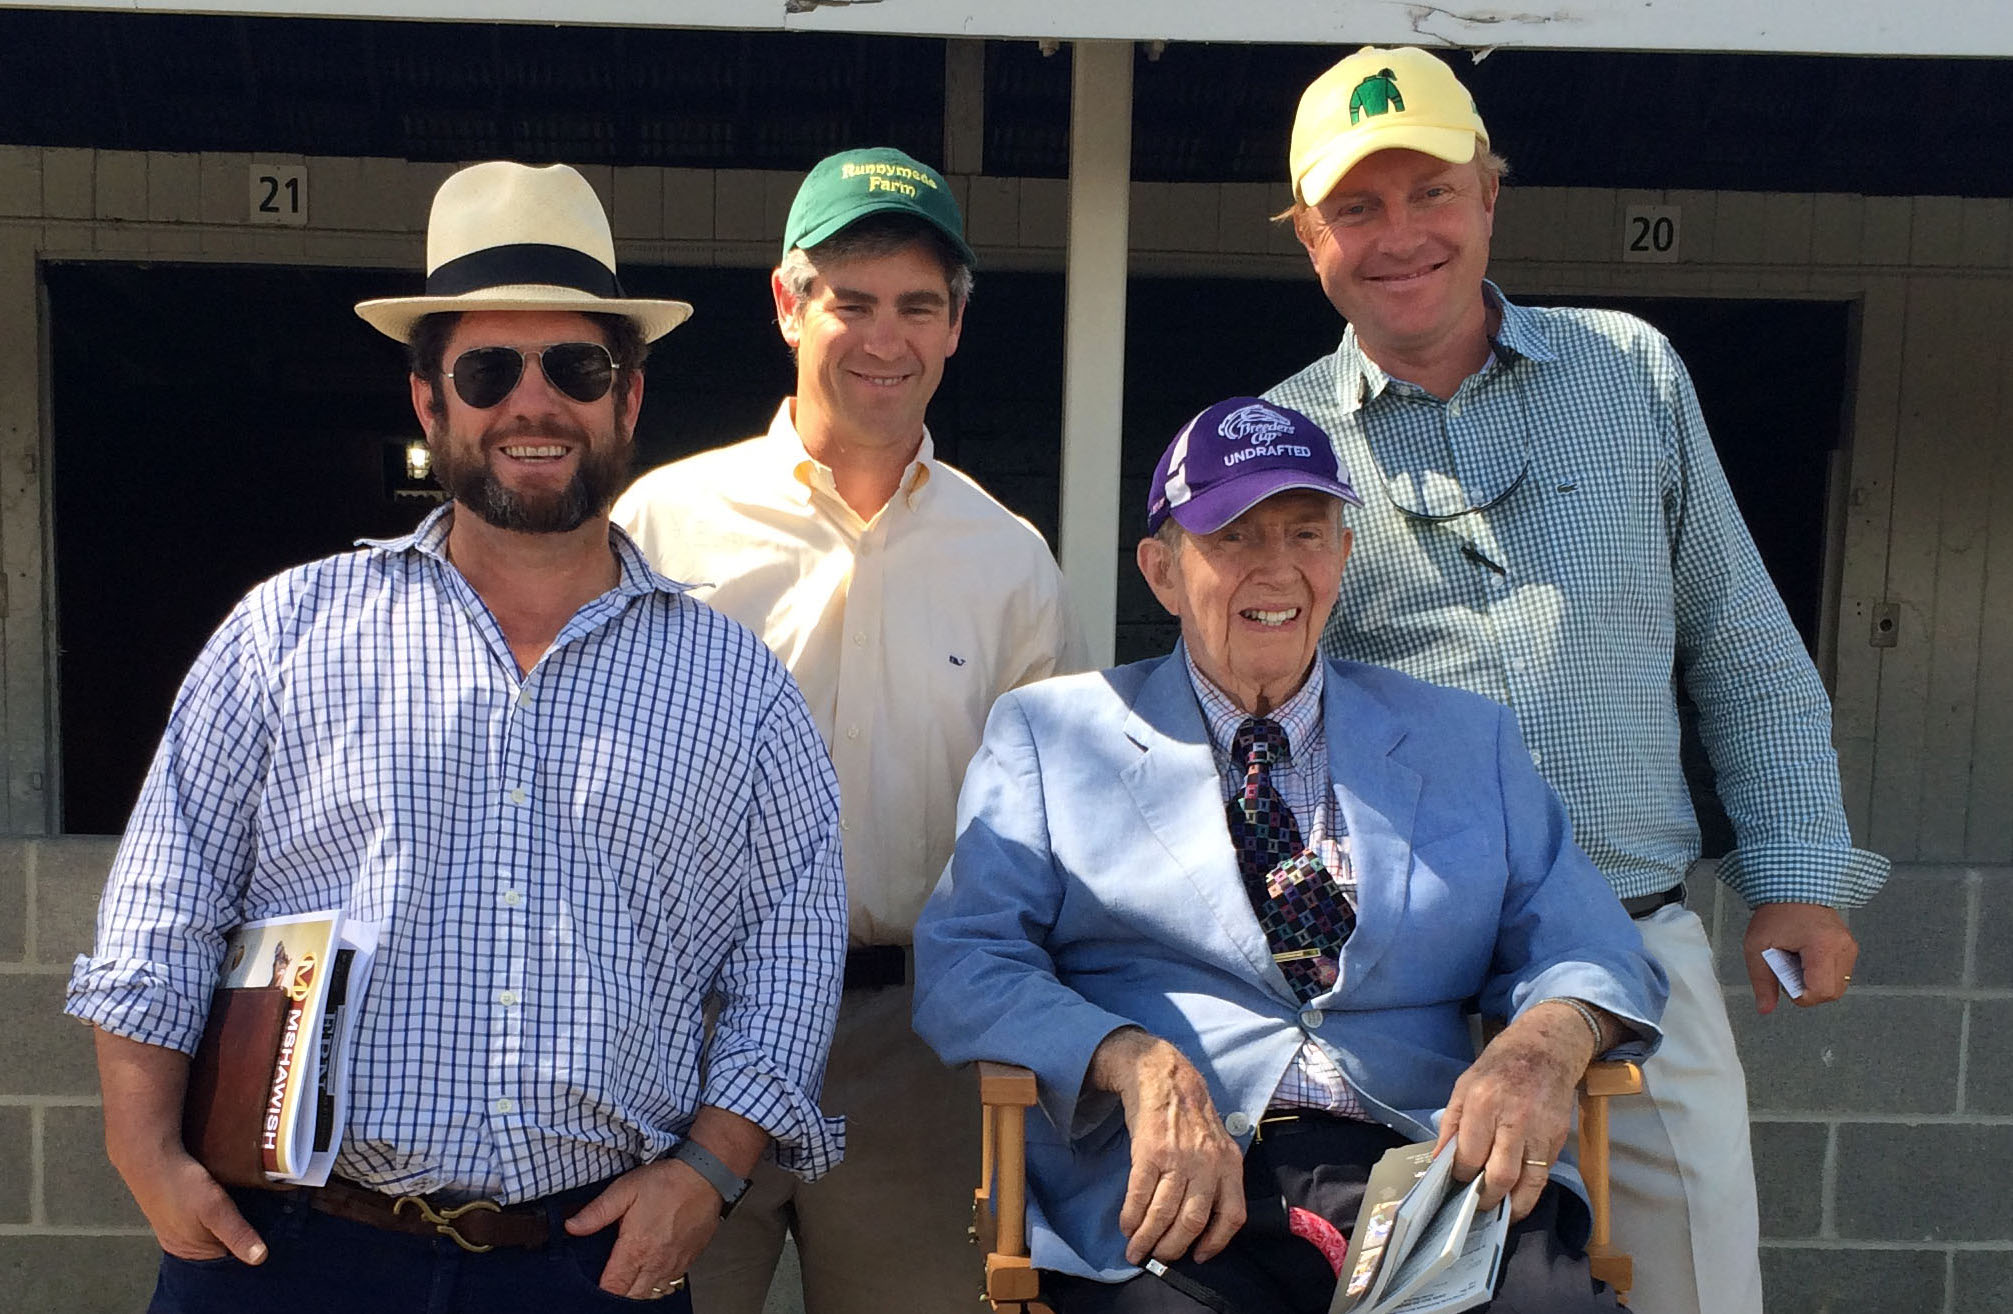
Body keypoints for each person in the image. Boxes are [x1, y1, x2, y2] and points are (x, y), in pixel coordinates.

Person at [65, 161, 849, 1314]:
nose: (534, 404)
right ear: (431, 404)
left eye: (575, 368)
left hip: (587, 1267)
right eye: (488, 370)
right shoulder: (285, 634)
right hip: (290, 1255)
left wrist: (711, 1167)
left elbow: (792, 954)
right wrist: (147, 1151)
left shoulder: (738, 688)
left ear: (627, 400)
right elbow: (159, 911)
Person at [1263, 45, 1892, 1314]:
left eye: (1431, 192)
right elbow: (1253, 721)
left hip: (1639, 952)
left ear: (1491, 192)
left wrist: (1801, 876)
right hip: (1401, 986)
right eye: (1357, 208)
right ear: (1308, 237)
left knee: (1696, 1291)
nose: (1401, 236)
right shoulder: (1283, 444)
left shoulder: (1632, 373)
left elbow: (1744, 645)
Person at [913, 397, 1667, 1313]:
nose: (1276, 569)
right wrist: (1131, 1059)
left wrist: (1545, 1045)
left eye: (1306, 533)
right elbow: (967, 960)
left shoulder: (1464, 740)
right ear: (1160, 570)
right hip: (1178, 1188)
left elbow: (1589, 944)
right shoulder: (1051, 734)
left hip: (1435, 1176)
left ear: (1342, 558)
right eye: (1232, 538)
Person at [614, 146, 1086, 1314]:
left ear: (956, 327)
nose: (886, 338)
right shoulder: (659, 528)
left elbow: (1060, 831)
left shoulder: (1009, 560)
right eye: (852, 301)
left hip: (912, 1047)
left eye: (918, 307)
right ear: (788, 304)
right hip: (683, 1040)